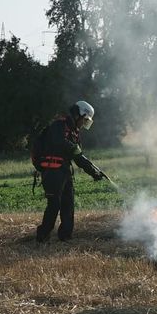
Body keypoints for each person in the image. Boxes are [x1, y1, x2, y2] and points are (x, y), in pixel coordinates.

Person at [33, 101, 105, 243]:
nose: (83, 124)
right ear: (78, 114)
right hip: (52, 170)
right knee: (54, 205)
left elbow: (79, 158)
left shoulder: (75, 133)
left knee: (68, 204)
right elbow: (59, 142)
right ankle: (42, 236)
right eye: (84, 120)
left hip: (65, 171)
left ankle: (65, 237)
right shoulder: (59, 125)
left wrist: (94, 172)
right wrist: (73, 148)